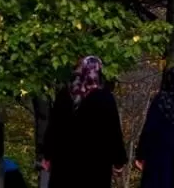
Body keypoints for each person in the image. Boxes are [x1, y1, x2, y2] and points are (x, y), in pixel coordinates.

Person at [42, 56, 128, 188]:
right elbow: (113, 132)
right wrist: (118, 161)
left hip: (65, 163)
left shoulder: (65, 95)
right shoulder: (105, 98)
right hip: (95, 165)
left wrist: (47, 155)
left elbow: (53, 128)